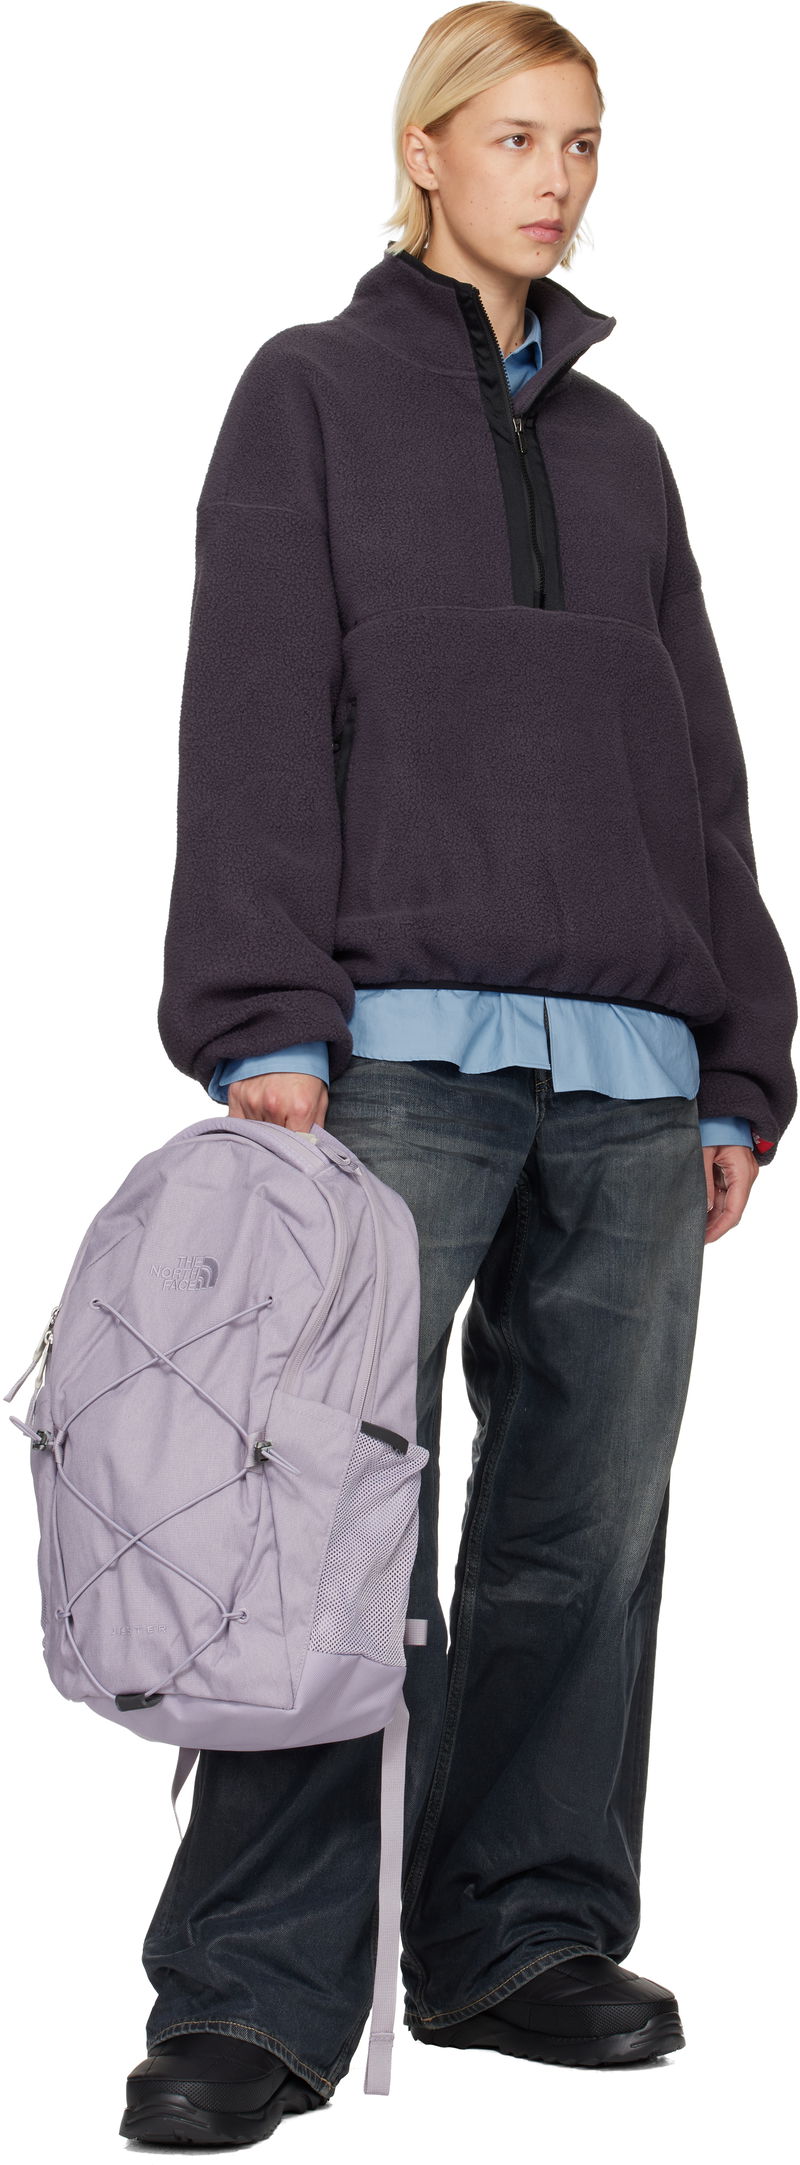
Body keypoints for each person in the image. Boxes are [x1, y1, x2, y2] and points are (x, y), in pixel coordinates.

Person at [122, 3, 797, 2145]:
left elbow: (700, 772)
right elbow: (246, 706)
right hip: (388, 1059)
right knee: (319, 1527)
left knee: (584, 1532)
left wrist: (741, 1057)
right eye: (515, 138)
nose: (557, 179)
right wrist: (263, 1018)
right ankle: (253, 1993)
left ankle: (518, 1935)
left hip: (631, 1074)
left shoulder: (628, 452)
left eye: (582, 142)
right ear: (424, 152)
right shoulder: (309, 394)